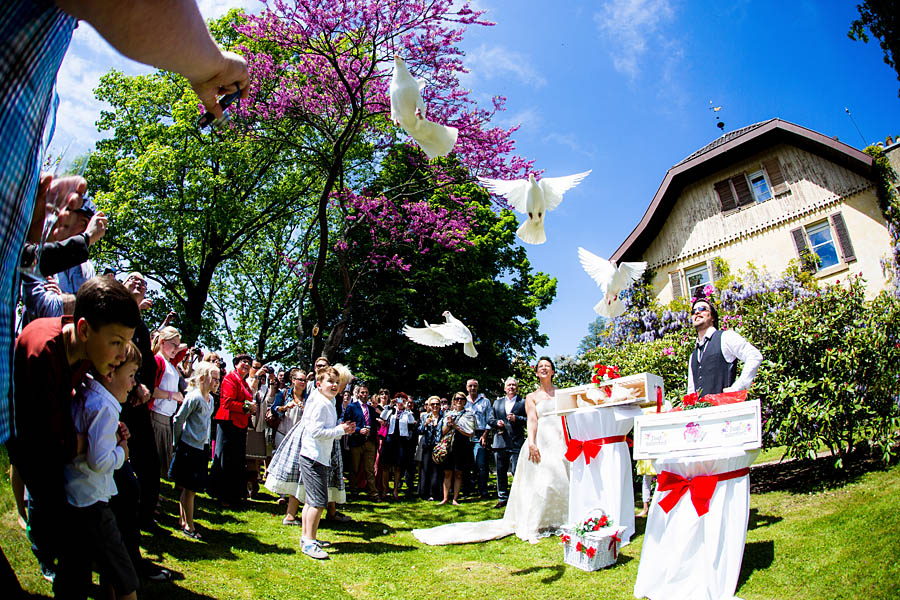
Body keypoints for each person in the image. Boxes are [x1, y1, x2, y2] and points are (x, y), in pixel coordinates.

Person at [8, 276, 140, 593]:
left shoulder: (85, 350)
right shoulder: (43, 354)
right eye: (116, 342)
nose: (122, 355)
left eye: (126, 343)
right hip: (40, 461)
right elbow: (50, 443)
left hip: (62, 454)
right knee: (71, 554)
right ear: (83, 329)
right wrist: (94, 442)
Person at [412, 357, 570, 545]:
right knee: (542, 480)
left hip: (560, 439)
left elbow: (568, 416)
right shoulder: (531, 397)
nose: (544, 369)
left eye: (548, 366)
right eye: (540, 366)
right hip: (541, 439)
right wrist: (533, 443)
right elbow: (532, 421)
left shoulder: (563, 393)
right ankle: (537, 520)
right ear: (536, 372)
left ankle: (561, 518)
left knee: (560, 477)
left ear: (553, 371)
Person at [62, 341, 142, 600]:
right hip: (93, 501)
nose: (133, 384)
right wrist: (122, 453)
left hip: (75, 497)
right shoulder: (105, 407)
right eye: (130, 376)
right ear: (110, 373)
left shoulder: (88, 394)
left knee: (77, 571)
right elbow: (98, 460)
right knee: (125, 579)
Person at [297, 366, 356, 559]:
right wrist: (340, 430)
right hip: (313, 457)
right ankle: (308, 542)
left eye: (337, 383)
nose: (334, 386)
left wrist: (343, 430)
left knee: (311, 501)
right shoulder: (320, 402)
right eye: (330, 382)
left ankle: (308, 537)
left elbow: (327, 430)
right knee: (318, 502)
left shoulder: (327, 402)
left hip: (318, 456)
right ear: (318, 384)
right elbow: (316, 431)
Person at [170, 360, 219, 539]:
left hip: (201, 448)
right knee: (189, 488)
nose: (216, 383)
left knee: (190, 488)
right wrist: (177, 443)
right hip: (189, 447)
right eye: (213, 379)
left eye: (218, 379)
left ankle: (184, 520)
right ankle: (189, 525)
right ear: (202, 378)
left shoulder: (210, 399)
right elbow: (178, 420)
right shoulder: (194, 397)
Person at [687, 298, 762, 398]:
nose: (697, 312)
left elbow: (754, 356)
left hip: (725, 410)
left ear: (712, 317)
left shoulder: (726, 337)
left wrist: (737, 388)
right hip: (701, 412)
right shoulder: (693, 356)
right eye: (693, 311)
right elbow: (691, 392)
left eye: (702, 308)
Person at [209, 353, 257, 506]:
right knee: (226, 459)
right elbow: (228, 403)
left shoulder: (244, 382)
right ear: (236, 364)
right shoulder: (230, 378)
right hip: (228, 422)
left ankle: (234, 494)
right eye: (243, 362)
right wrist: (248, 407)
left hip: (240, 424)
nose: (246, 365)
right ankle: (222, 494)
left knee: (236, 461)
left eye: (249, 363)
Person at [148, 326, 184, 481]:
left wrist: (176, 344)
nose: (176, 349)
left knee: (159, 462)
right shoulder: (157, 360)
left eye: (177, 345)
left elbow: (183, 349)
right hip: (155, 415)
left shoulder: (171, 364)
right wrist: (173, 395)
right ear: (162, 342)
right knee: (152, 459)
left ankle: (155, 493)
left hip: (166, 418)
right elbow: (152, 390)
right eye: (173, 345)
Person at [491, 377, 526, 508]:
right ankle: (502, 498)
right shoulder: (497, 403)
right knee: (500, 472)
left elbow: (529, 419)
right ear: (505, 388)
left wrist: (517, 418)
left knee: (517, 471)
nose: (511, 387)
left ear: (517, 388)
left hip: (516, 442)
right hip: (500, 442)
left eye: (513, 385)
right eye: (509, 385)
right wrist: (496, 423)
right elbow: (490, 418)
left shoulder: (523, 402)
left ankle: (519, 497)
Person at [438, 392, 474, 506]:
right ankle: (445, 498)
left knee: (458, 473)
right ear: (453, 401)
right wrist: (448, 425)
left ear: (465, 401)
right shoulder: (448, 414)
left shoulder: (469, 415)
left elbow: (470, 433)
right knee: (447, 473)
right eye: (457, 399)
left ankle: (455, 498)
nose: (459, 401)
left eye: (462, 399)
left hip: (462, 446)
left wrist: (456, 426)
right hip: (449, 447)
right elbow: (442, 432)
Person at [343, 384, 379, 499]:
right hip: (356, 441)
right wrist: (358, 430)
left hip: (369, 442)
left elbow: (374, 426)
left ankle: (373, 493)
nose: (364, 395)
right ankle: (353, 491)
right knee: (354, 468)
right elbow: (346, 423)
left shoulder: (372, 410)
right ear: (358, 394)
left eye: (366, 393)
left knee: (370, 469)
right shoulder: (352, 407)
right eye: (362, 392)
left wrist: (371, 432)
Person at [464, 379, 493, 499]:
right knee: (466, 464)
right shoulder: (462, 401)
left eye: (475, 386)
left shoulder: (485, 401)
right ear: (467, 387)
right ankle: (466, 490)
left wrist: (485, 435)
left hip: (480, 434)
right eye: (470, 386)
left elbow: (489, 419)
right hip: (465, 434)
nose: (472, 388)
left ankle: (483, 490)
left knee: (481, 464)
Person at [417, 396, 443, 501]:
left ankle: (435, 493)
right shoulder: (425, 416)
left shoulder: (443, 417)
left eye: (437, 404)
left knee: (436, 470)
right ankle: (424, 493)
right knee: (425, 469)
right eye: (432, 404)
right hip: (427, 445)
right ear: (429, 406)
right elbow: (419, 430)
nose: (435, 406)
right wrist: (425, 424)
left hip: (438, 446)